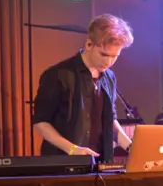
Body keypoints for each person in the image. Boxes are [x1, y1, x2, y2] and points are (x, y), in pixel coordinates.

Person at [32, 14, 134, 162]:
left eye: (115, 56)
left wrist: (132, 148)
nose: (109, 61)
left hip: (100, 162)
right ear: (89, 45)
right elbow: (40, 123)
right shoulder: (57, 75)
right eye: (104, 54)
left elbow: (110, 120)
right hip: (63, 163)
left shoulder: (109, 77)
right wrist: (72, 149)